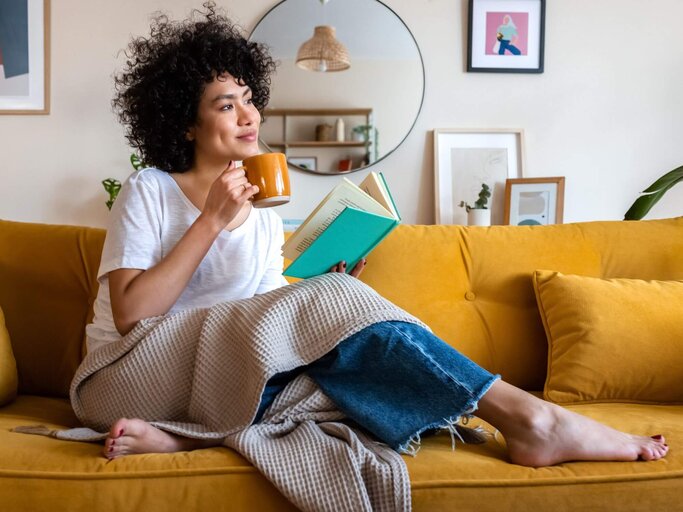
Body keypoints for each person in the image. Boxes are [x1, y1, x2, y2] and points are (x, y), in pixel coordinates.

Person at [86, 3, 668, 467]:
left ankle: (189, 438)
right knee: (339, 360)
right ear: (185, 124)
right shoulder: (151, 190)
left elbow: (259, 319)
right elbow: (134, 314)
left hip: (216, 378)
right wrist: (211, 221)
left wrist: (322, 287)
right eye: (225, 104)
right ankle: (533, 418)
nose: (249, 116)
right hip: (126, 375)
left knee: (347, 376)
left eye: (250, 99)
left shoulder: (263, 214)